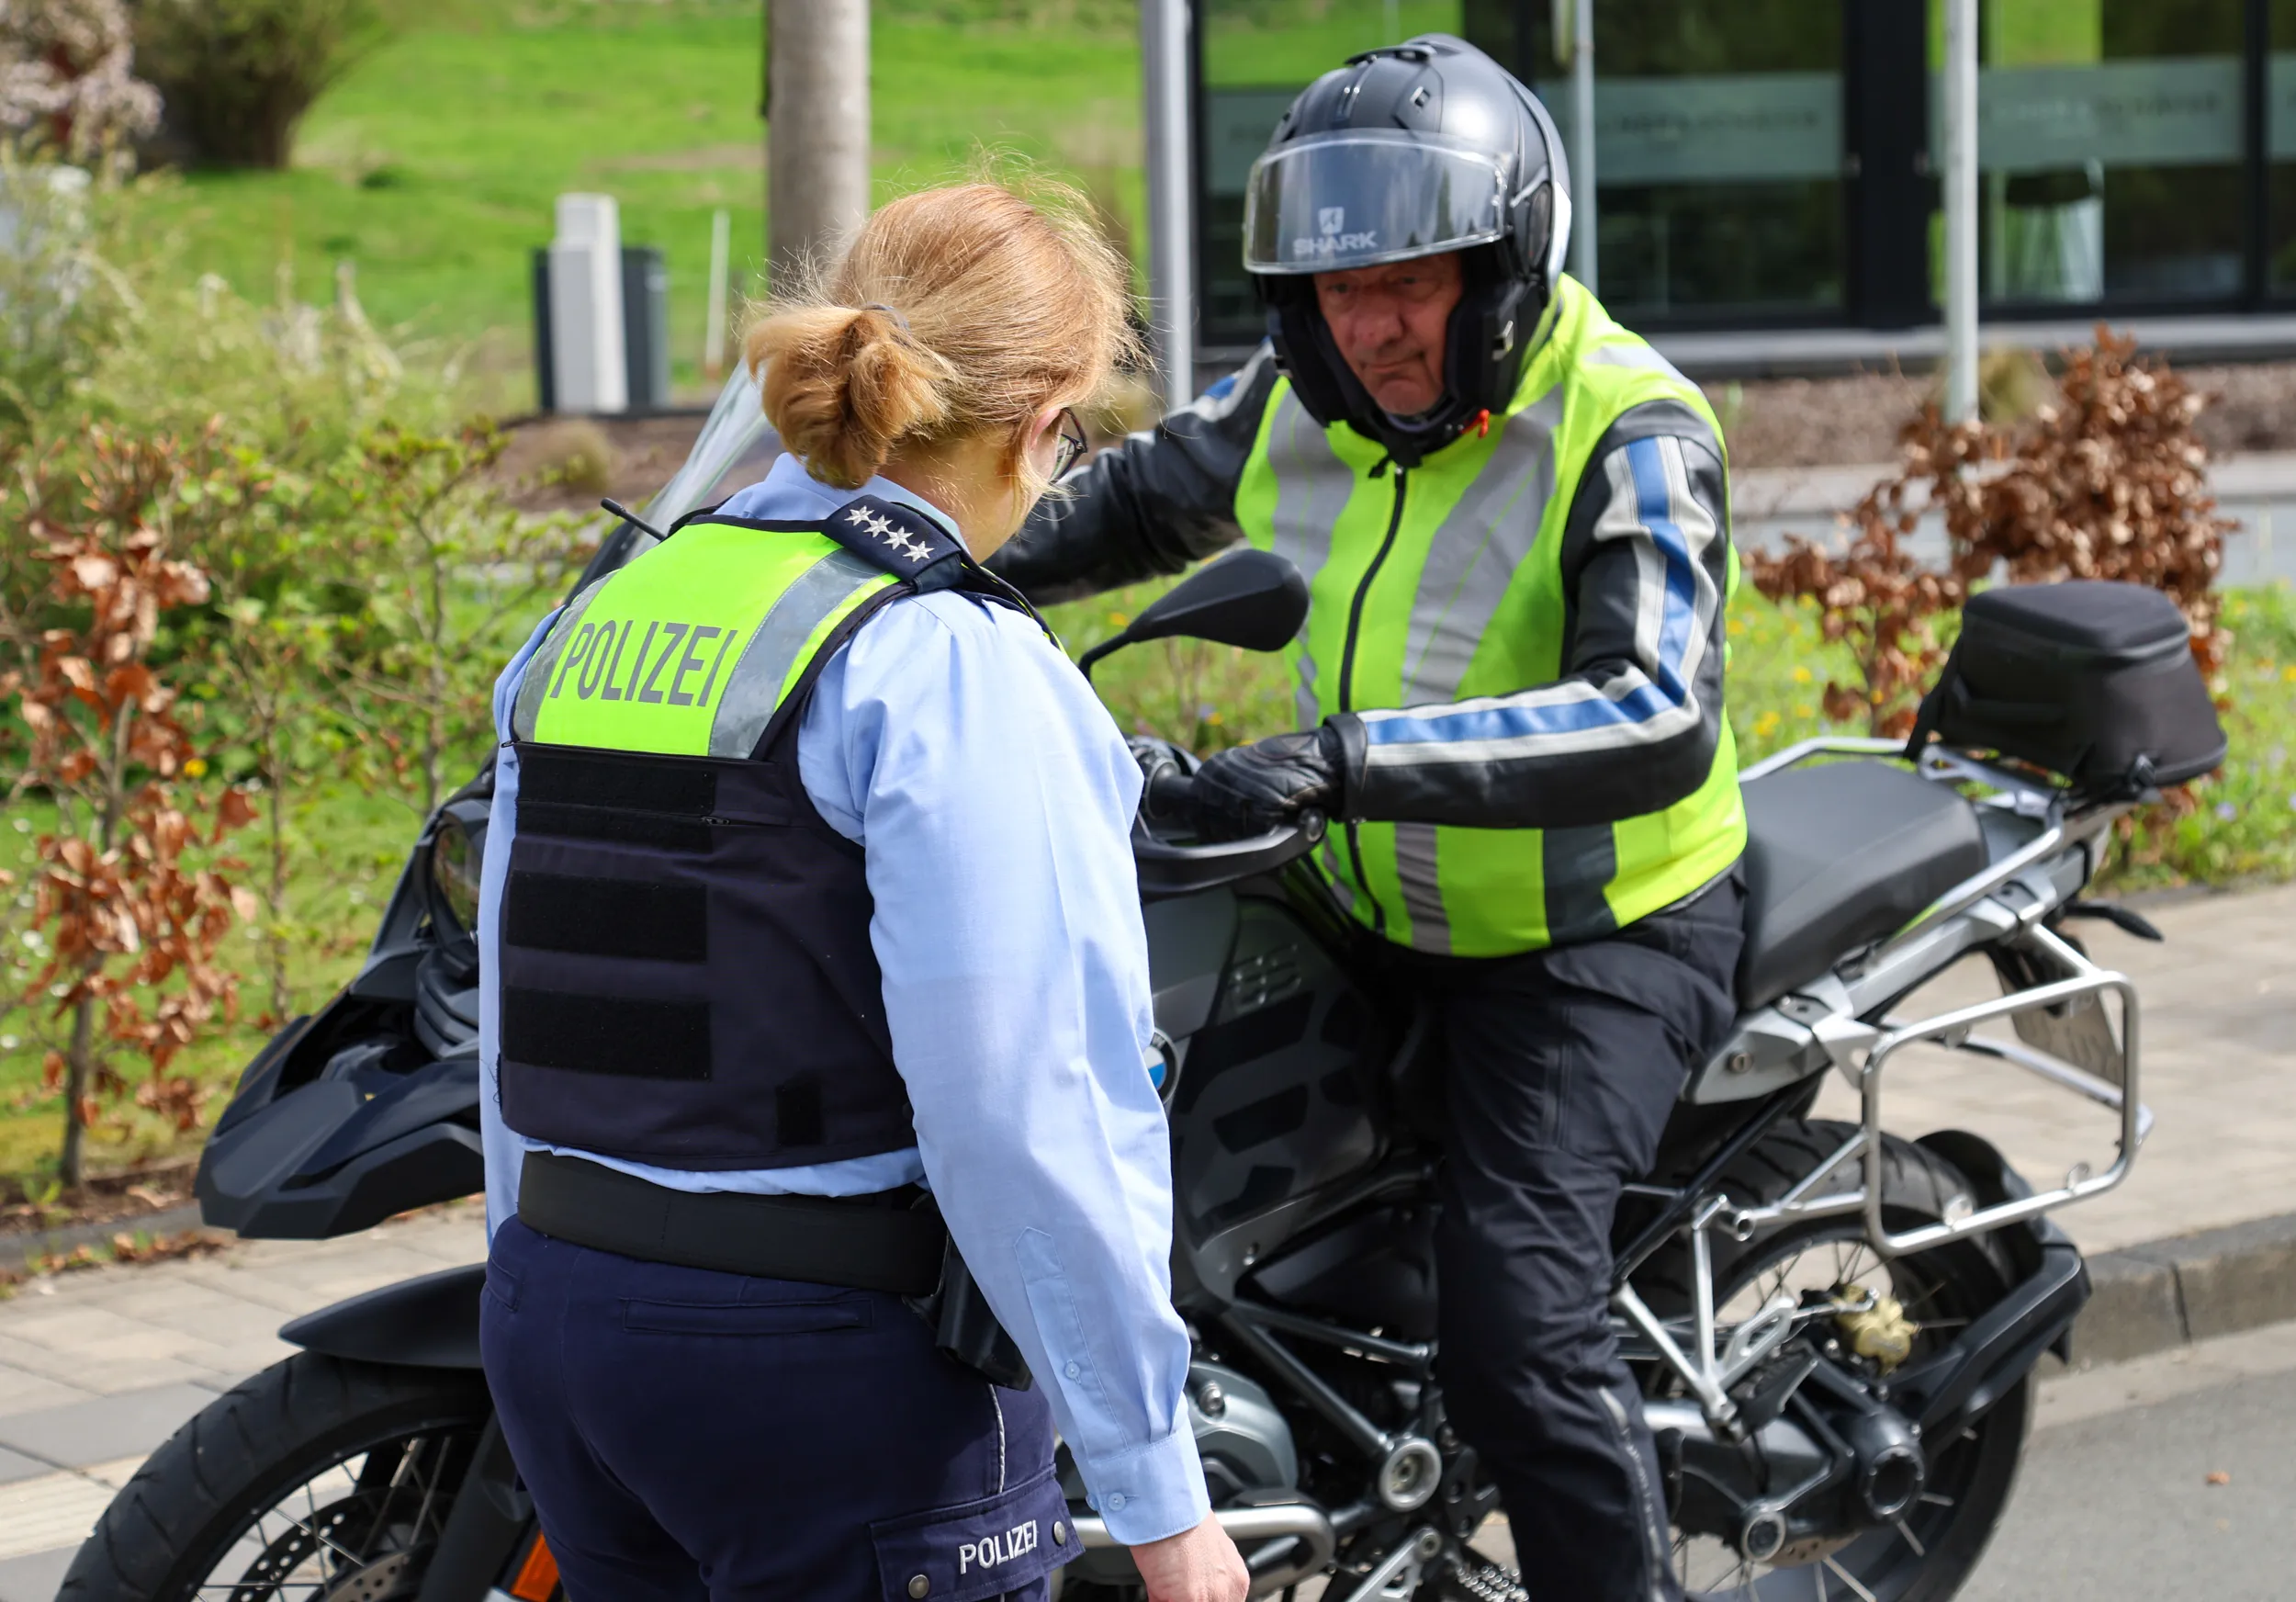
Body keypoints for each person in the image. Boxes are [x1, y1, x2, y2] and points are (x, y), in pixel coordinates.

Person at [992, 38, 1745, 1602]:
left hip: (1592, 939)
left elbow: (1654, 711)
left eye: (1412, 282)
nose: (1377, 327)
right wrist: (889, 565)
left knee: (1521, 1327)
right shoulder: (1305, 399)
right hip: (1363, 898)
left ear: (1501, 267)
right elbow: (1113, 510)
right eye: (1341, 292)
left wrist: (1343, 761)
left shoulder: (1630, 429)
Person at [473, 180, 1250, 1602]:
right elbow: (1025, 1108)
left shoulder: (608, 608)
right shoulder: (943, 660)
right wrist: (1157, 1495)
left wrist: (534, 1301)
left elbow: (523, 1026)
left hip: (566, 1322)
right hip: (824, 1374)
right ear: (1038, 421)